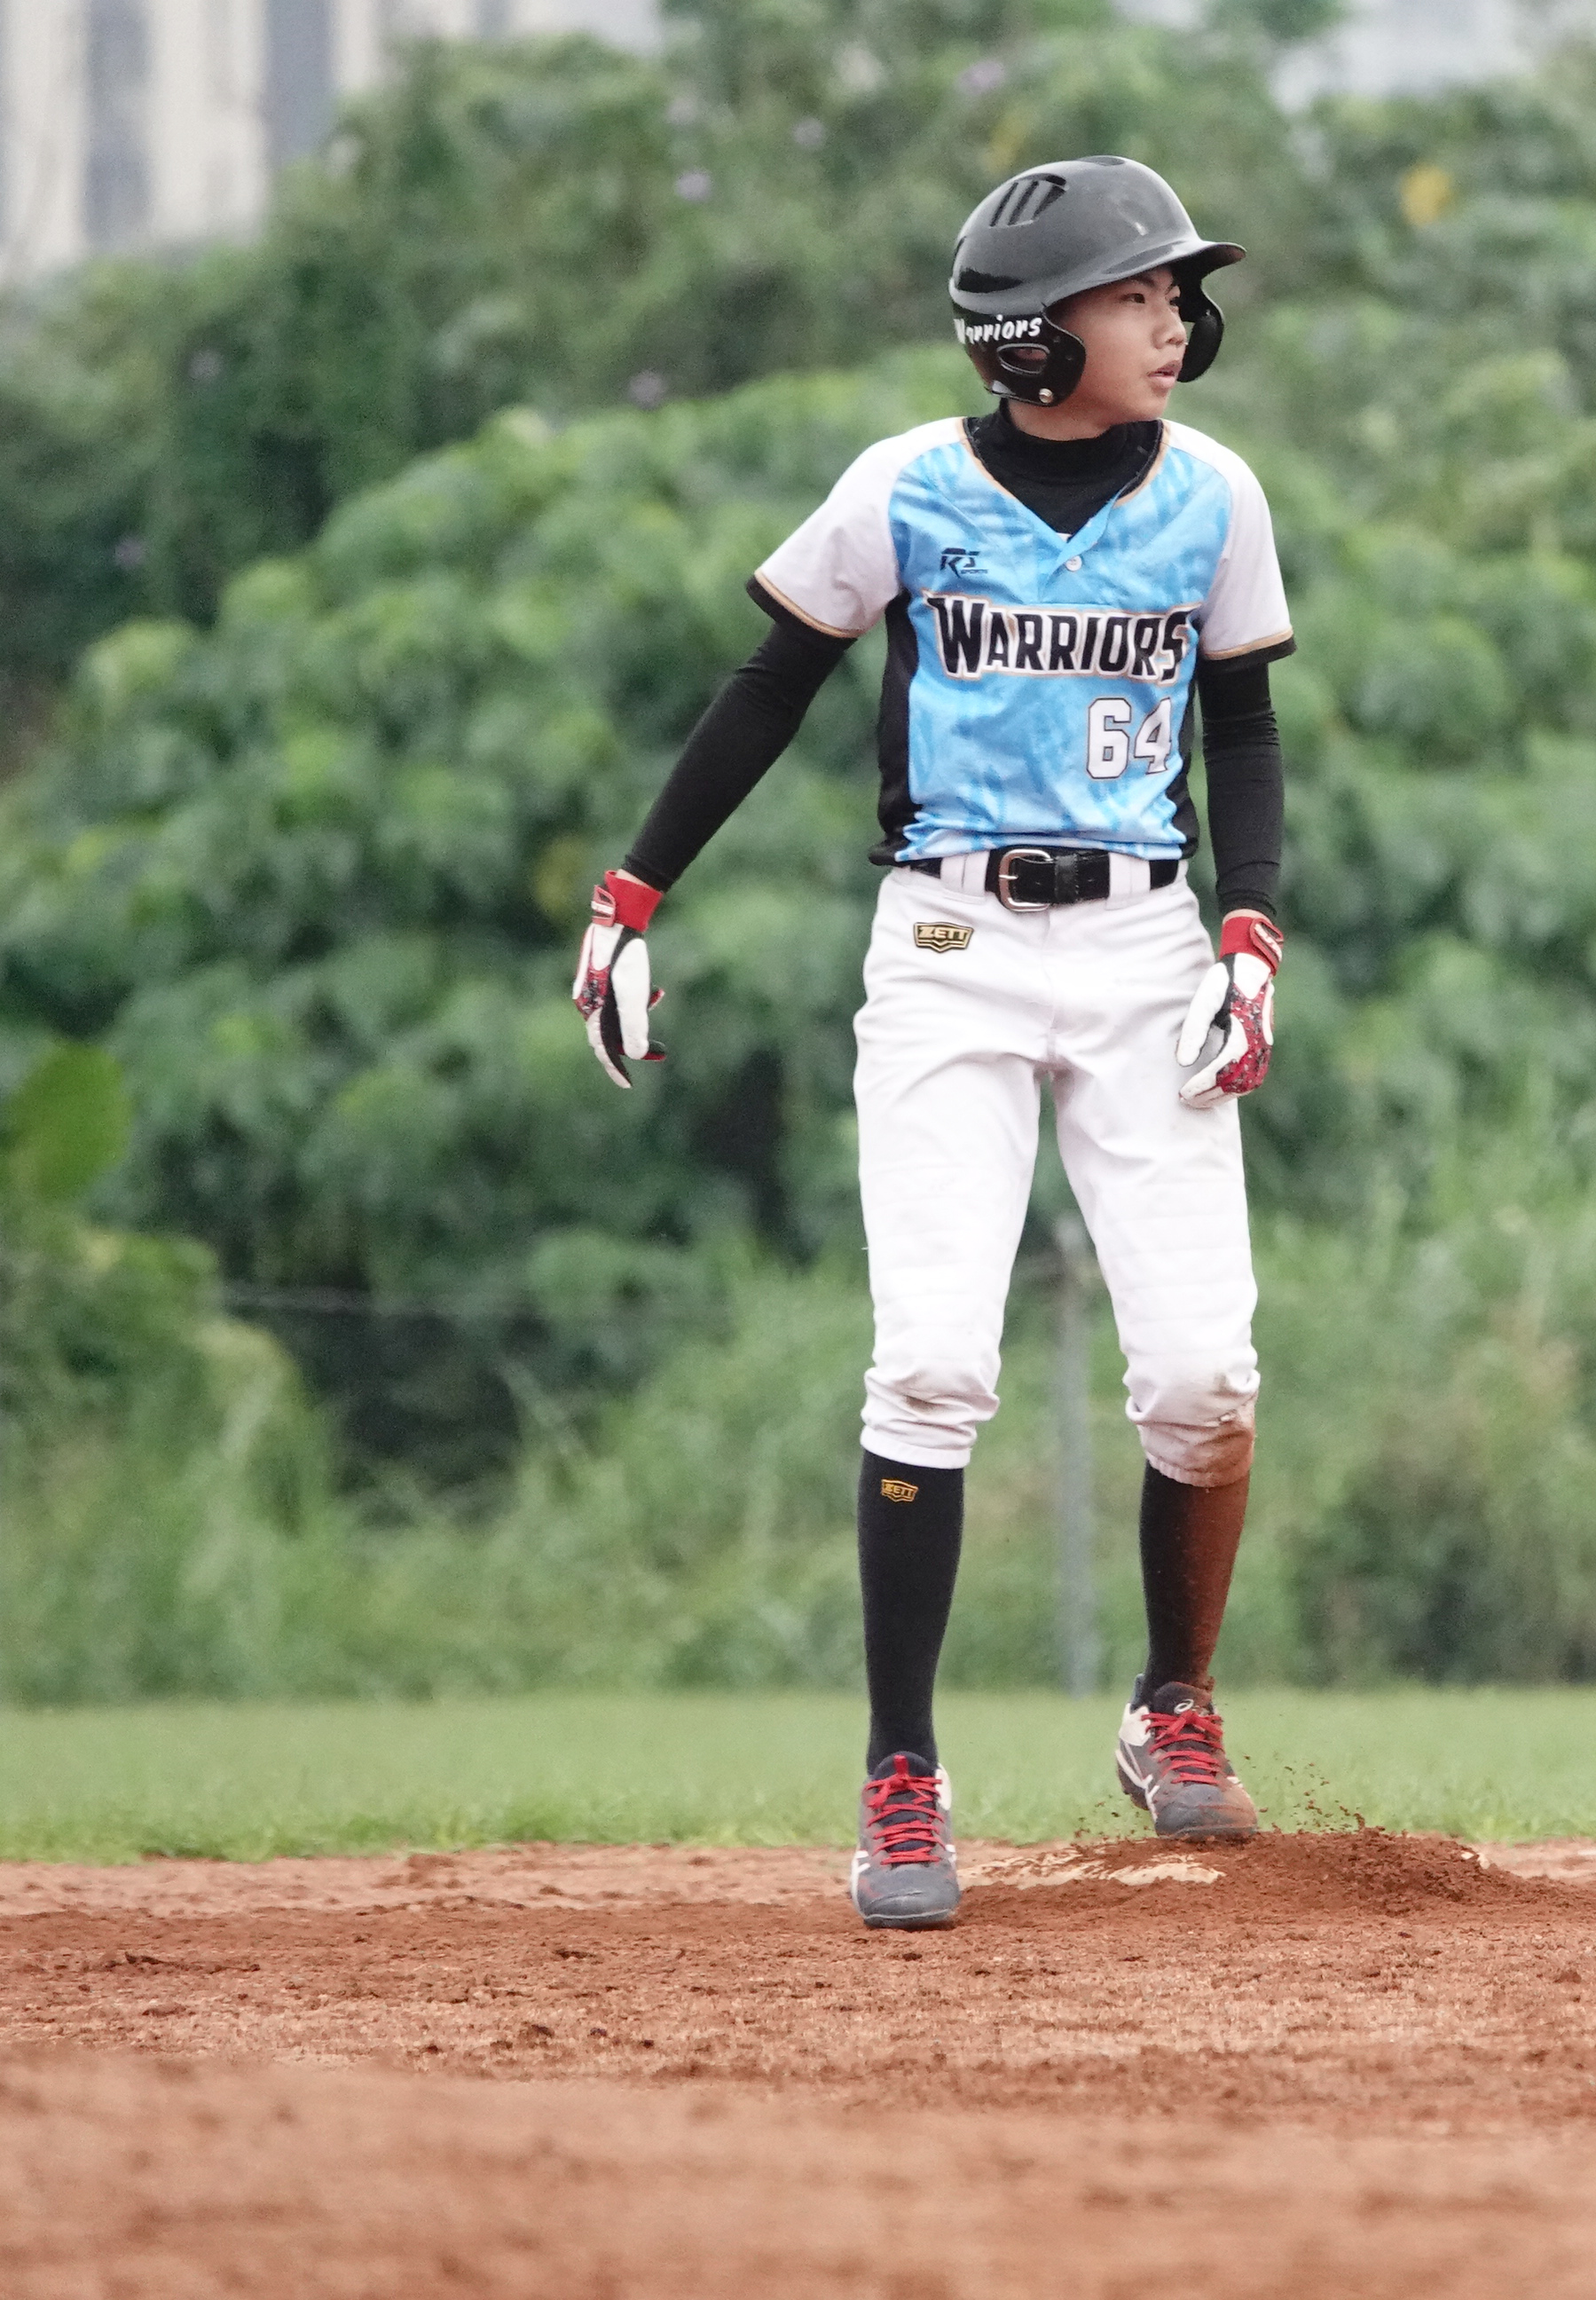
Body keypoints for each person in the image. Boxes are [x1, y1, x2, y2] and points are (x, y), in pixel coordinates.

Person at [570, 156, 1294, 1929]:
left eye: (1176, 294)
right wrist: (633, 892)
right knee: (931, 1369)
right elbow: (770, 688)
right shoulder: (904, 487)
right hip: (951, 948)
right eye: (1137, 296)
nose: (1176, 322)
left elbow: (1244, 728)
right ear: (1032, 337)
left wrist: (1252, 930)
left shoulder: (1214, 495)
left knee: (1204, 1380)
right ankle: (903, 1774)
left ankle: (1173, 1704)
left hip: (1143, 940)